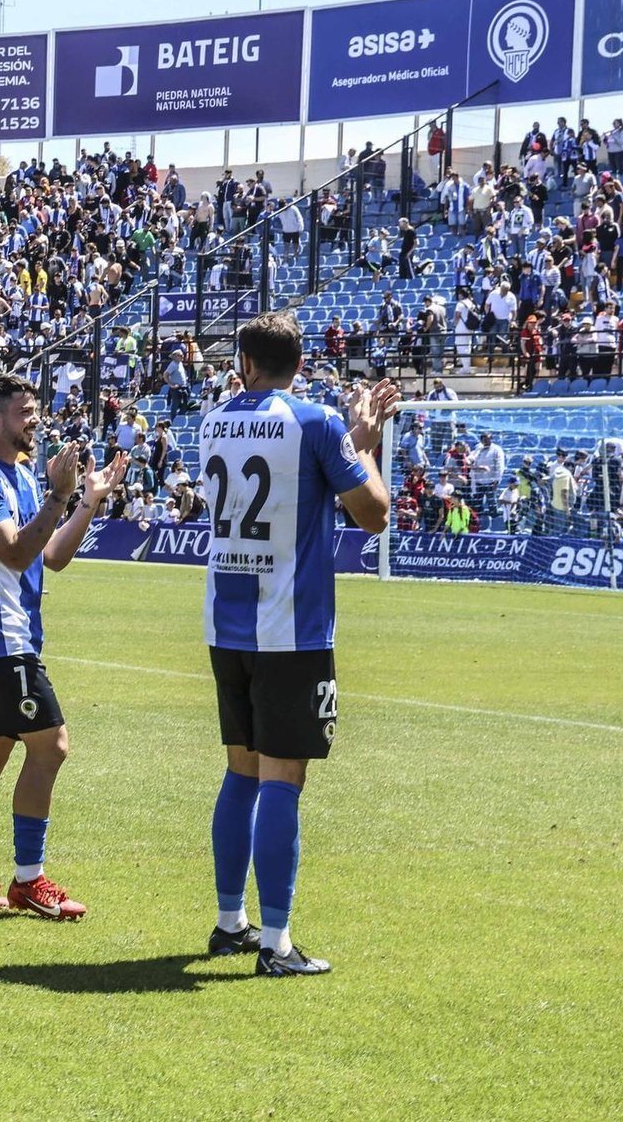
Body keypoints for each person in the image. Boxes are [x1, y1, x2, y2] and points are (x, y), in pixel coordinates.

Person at [198, 311, 396, 977]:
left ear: (245, 364)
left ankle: (231, 921)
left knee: (241, 771)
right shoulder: (315, 420)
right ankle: (276, 943)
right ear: (301, 361)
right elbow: (373, 513)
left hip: (226, 624)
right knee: (286, 776)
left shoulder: (213, 419)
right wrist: (363, 442)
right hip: (290, 629)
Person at [0, 374, 126, 917]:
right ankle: (29, 879)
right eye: (25, 411)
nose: (36, 418)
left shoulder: (17, 475)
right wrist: (60, 494)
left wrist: (85, 501)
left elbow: (51, 557)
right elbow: (16, 554)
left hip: (5, 638)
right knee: (51, 746)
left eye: (36, 408)